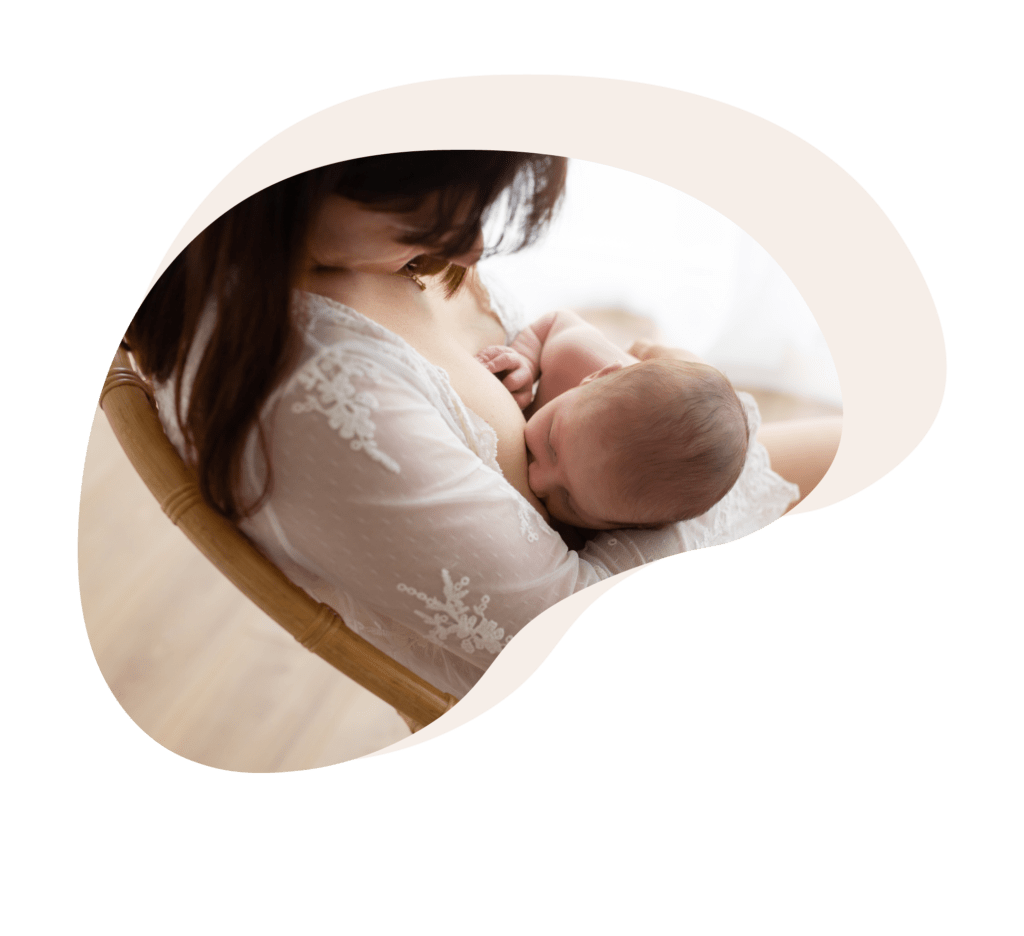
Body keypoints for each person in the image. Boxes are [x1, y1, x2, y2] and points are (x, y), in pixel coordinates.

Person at [125, 150, 830, 703]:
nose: (472, 249)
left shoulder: (354, 251)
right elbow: (563, 631)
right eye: (422, 226)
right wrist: (696, 447)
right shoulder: (321, 394)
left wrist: (636, 407)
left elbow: (567, 357)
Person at [475, 309, 750, 534]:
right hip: (628, 364)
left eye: (569, 501)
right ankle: (653, 350)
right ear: (594, 378)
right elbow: (554, 321)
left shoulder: (621, 509)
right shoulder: (574, 355)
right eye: (551, 444)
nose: (537, 481)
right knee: (662, 357)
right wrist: (526, 359)